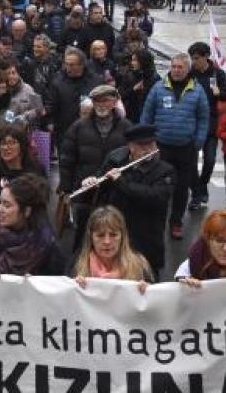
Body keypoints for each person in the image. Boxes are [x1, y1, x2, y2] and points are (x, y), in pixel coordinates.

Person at [140, 53, 209, 240]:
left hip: (186, 148)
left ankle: (176, 222)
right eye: (174, 66)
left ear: (187, 69)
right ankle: (156, 222)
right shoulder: (158, 88)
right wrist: (145, 141)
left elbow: (203, 118)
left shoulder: (198, 90)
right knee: (159, 186)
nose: (177, 70)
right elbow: (146, 114)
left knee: (181, 188)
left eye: (180, 67)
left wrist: (199, 141)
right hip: (161, 147)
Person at [90, 123, 173, 277]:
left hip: (146, 237)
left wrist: (122, 182)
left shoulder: (165, 170)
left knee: (147, 282)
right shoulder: (115, 161)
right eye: (141, 145)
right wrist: (92, 184)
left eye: (151, 144)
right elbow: (102, 193)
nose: (148, 149)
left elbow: (155, 197)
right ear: (130, 146)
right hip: (117, 235)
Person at [60, 84, 129, 244]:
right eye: (97, 101)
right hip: (86, 192)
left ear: (114, 102)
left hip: (114, 191)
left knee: (112, 235)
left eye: (105, 100)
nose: (101, 105)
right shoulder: (78, 127)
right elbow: (67, 159)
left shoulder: (127, 127)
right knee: (84, 235)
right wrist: (66, 188)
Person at [0, 173, 67, 277]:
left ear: (26, 211)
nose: (0, 210)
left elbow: (56, 284)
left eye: (7, 205)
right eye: (0, 203)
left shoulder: (46, 244)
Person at [186, 42, 226, 210]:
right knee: (190, 161)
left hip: (211, 122)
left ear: (206, 57)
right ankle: (197, 194)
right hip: (193, 122)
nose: (193, 61)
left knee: (210, 160)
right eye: (192, 58)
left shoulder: (217, 74)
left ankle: (202, 185)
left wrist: (220, 93)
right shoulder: (190, 74)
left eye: (196, 58)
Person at [70, 206, 152, 292]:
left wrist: (148, 292)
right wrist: (74, 289)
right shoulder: (77, 266)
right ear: (91, 237)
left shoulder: (140, 266)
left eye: (113, 235)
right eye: (100, 235)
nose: (107, 241)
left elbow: (154, 302)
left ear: (122, 237)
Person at [46, 47, 100, 154]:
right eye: (66, 64)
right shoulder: (57, 82)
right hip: (64, 132)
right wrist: (50, 122)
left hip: (89, 132)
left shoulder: (95, 81)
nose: (68, 68)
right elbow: (51, 104)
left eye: (72, 65)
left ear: (81, 65)